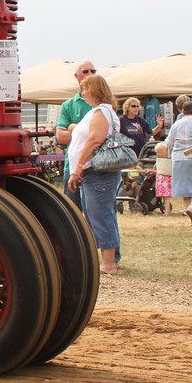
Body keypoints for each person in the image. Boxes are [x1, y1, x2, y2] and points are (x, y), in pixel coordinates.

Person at [67, 74, 122, 275]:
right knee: (101, 214)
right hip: (97, 172)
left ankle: (108, 263)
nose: (82, 93)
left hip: (96, 172)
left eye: (85, 88)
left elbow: (93, 140)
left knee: (100, 215)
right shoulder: (101, 111)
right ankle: (110, 259)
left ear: (95, 90)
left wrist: (79, 166)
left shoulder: (101, 112)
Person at [55, 59, 97, 210]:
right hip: (72, 167)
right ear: (77, 76)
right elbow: (60, 137)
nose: (90, 75)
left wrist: (74, 129)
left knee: (96, 216)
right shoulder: (69, 105)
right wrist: (87, 133)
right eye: (85, 72)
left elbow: (102, 135)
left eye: (93, 71)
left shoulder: (103, 104)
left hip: (97, 166)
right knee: (73, 215)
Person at [153, 141, 173, 216]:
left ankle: (167, 211)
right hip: (161, 180)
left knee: (166, 197)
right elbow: (159, 170)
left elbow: (168, 171)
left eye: (159, 152)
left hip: (165, 181)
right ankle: (166, 210)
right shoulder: (159, 161)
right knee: (165, 197)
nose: (158, 154)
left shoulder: (168, 161)